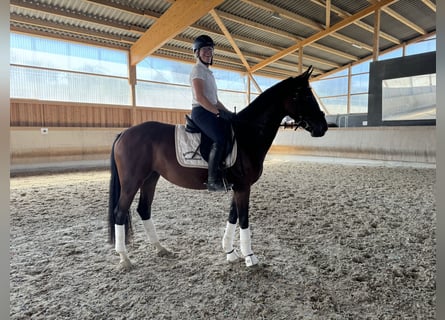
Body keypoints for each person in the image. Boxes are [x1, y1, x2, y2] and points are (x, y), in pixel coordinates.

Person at [189, 35, 234, 191]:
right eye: (205, 49)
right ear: (197, 52)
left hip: (209, 109)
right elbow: (201, 97)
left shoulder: (208, 73)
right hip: (201, 112)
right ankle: (212, 181)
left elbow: (215, 100)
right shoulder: (197, 71)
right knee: (220, 139)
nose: (208, 52)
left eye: (210, 49)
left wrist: (228, 113)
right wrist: (218, 113)